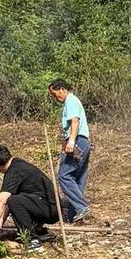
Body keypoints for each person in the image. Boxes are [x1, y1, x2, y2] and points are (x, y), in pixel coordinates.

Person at [0, 144, 59, 248]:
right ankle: (40, 232)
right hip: (49, 207)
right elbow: (8, 204)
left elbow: (1, 201)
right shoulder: (18, 165)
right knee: (15, 200)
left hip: (50, 209)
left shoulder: (13, 171)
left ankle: (32, 240)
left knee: (14, 201)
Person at [47, 79, 91, 221]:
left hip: (77, 141)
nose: (55, 98)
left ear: (62, 89)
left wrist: (71, 141)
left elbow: (75, 121)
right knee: (78, 177)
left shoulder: (70, 101)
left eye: (55, 94)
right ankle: (74, 214)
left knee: (64, 176)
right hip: (84, 142)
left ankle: (81, 207)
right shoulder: (73, 101)